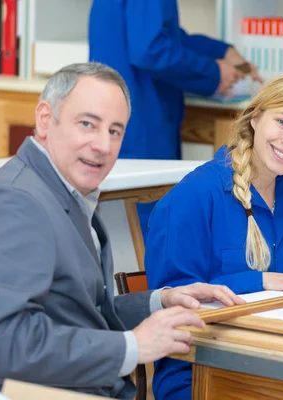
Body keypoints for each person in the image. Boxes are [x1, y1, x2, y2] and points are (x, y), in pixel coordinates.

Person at [0, 62, 244, 398]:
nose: (103, 146)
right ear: (45, 119)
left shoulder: (60, 191)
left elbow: (80, 316)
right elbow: (2, 343)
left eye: (115, 131)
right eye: (88, 124)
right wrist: (132, 346)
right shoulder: (11, 202)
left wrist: (159, 302)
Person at [144, 74, 283, 399]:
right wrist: (260, 280)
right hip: (200, 371)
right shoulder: (193, 197)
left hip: (276, 358)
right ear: (256, 117)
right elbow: (175, 302)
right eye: (282, 121)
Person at [88, 0, 262, 239]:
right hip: (141, 121)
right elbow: (150, 49)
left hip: (124, 114)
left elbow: (163, 34)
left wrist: (219, 52)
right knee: (142, 224)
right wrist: (212, 72)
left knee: (120, 224)